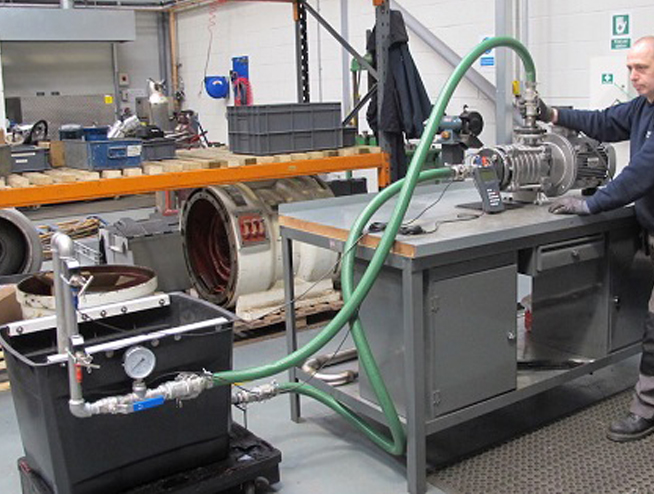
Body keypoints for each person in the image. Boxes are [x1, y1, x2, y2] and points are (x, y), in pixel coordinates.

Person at [544, 35, 654, 442]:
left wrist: (592, 203)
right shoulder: (642, 106)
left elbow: (641, 172)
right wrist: (554, 113)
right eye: (630, 68)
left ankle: (645, 410)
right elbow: (604, 121)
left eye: (641, 68)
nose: (633, 75)